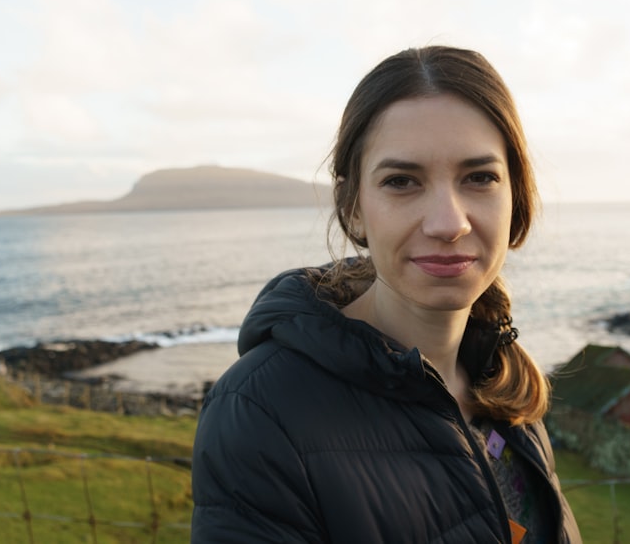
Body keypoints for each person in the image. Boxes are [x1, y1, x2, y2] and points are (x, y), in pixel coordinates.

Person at [191, 45, 582, 543]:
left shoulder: (502, 376)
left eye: (480, 178)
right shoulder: (259, 412)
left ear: (517, 196)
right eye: (402, 181)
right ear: (352, 207)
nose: (449, 223)